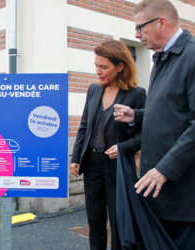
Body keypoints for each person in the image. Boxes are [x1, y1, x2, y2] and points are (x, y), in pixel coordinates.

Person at [114, 0, 195, 249]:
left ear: (161, 22)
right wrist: (136, 115)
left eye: (140, 28)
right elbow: (171, 110)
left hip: (185, 194)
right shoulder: (162, 58)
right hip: (160, 191)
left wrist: (165, 169)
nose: (137, 35)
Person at [70, 40, 146, 250]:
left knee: (119, 221)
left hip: (119, 166)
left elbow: (146, 133)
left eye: (103, 67)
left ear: (120, 66)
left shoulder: (137, 94)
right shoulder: (94, 90)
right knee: (95, 220)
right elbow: (85, 126)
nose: (98, 71)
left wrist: (125, 147)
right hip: (92, 163)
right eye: (96, 66)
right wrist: (76, 157)